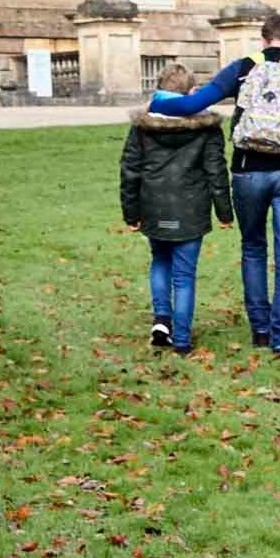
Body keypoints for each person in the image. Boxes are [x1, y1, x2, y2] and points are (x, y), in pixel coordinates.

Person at [144, 15, 280, 355]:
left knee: (253, 248)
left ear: (263, 40)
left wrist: (156, 104)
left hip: (248, 172)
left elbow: (191, 105)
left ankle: (259, 330)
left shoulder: (242, 68)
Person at [119, 64, 232, 354]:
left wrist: (131, 212)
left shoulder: (142, 127)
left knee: (160, 262)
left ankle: (161, 321)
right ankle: (181, 338)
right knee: (184, 275)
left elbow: (130, 170)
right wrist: (224, 211)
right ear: (191, 92)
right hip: (190, 207)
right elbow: (216, 171)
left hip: (153, 204)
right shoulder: (206, 129)